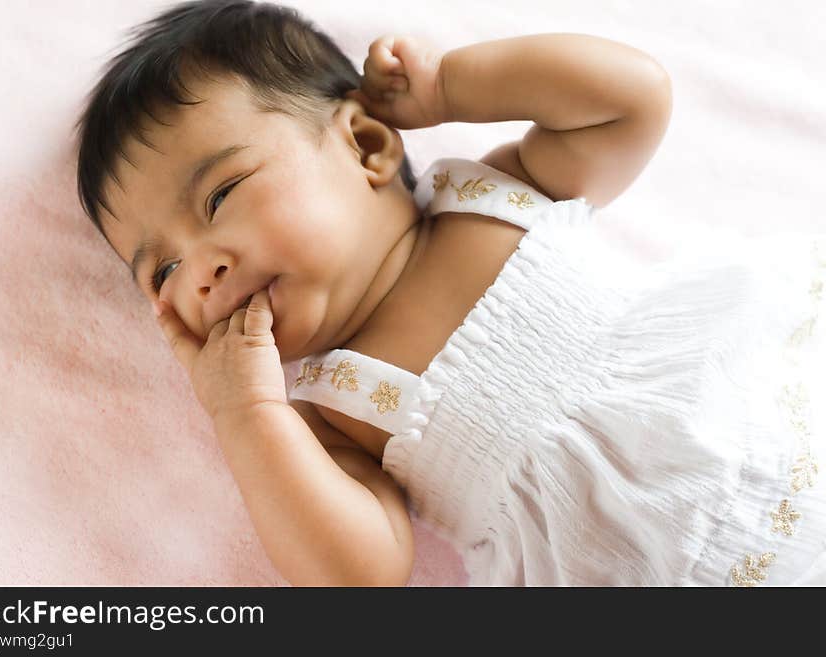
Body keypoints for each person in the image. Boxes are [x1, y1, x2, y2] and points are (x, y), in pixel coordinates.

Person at [74, 0, 825, 586]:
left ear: (367, 144)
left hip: (773, 433)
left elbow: (632, 100)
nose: (200, 270)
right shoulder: (327, 415)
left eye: (221, 195)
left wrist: (450, 87)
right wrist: (244, 416)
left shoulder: (494, 195)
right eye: (161, 271)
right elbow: (357, 574)